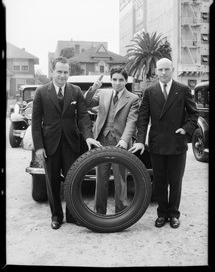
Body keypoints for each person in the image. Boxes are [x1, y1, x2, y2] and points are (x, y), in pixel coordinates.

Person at [31, 56, 102, 230]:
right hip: (50, 146)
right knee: (53, 182)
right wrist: (39, 147)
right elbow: (35, 121)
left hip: (71, 144)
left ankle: (72, 215)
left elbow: (84, 116)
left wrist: (88, 136)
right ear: (52, 72)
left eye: (65, 72)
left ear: (69, 72)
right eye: (59, 71)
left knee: (73, 180)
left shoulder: (75, 91)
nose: (62, 75)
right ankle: (56, 216)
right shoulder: (41, 92)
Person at [129, 58, 199, 228]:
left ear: (172, 70)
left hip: (176, 142)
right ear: (156, 72)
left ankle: (174, 214)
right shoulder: (149, 92)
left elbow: (193, 114)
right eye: (160, 70)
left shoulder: (182, 90)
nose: (163, 73)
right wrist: (140, 141)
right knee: (159, 181)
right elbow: (143, 119)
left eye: (167, 69)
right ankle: (162, 214)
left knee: (175, 181)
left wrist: (185, 129)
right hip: (157, 143)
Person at [84, 66, 140, 214]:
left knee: (120, 180)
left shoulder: (133, 99)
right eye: (114, 79)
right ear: (111, 79)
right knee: (101, 179)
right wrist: (93, 88)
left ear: (126, 81)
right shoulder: (103, 93)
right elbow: (86, 104)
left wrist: (124, 139)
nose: (117, 83)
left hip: (120, 143)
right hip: (101, 141)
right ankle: (99, 213)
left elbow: (131, 121)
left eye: (121, 80)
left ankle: (120, 213)